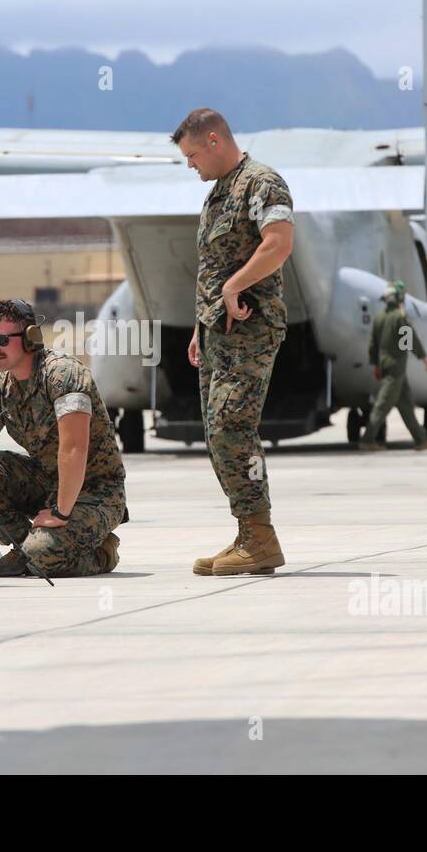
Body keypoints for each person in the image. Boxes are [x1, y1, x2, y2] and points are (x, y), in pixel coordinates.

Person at [173, 107, 294, 577]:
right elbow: (213, 267)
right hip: (218, 333)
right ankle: (249, 534)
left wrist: (233, 287)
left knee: (231, 428)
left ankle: (261, 537)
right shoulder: (218, 194)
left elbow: (278, 243)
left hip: (251, 330)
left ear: (214, 141)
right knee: (217, 434)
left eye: (192, 154)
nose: (190, 164)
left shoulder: (262, 183)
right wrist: (200, 327)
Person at [0, 298, 127, 576]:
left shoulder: (63, 375)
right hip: (47, 481)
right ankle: (27, 549)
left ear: (30, 338)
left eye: (2, 340)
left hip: (94, 491)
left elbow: (74, 449)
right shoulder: (1, 384)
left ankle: (100, 553)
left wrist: (61, 512)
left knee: (43, 559)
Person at [359, 281, 427, 452]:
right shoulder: (399, 317)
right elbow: (408, 341)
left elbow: (373, 344)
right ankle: (367, 439)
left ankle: (421, 440)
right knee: (383, 404)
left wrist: (376, 365)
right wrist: (423, 357)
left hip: (386, 366)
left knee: (406, 405)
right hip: (396, 368)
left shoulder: (379, 317)